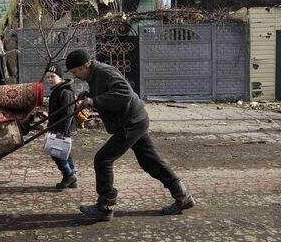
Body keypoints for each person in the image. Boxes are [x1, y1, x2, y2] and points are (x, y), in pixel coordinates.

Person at [65, 49, 195, 221]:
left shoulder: (104, 71)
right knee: (149, 160)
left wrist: (95, 101)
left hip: (131, 122)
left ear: (85, 65)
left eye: (75, 72)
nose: (75, 76)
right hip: (133, 120)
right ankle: (182, 195)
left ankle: (105, 206)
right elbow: (108, 92)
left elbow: (124, 93)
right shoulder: (94, 75)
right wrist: (89, 95)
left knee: (103, 159)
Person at [44, 63, 78, 189]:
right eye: (47, 77)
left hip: (63, 128)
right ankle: (71, 177)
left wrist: (61, 131)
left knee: (56, 153)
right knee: (64, 152)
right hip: (56, 126)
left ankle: (69, 175)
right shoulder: (57, 90)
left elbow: (68, 114)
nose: (50, 79)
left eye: (52, 76)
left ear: (60, 77)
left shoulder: (65, 91)